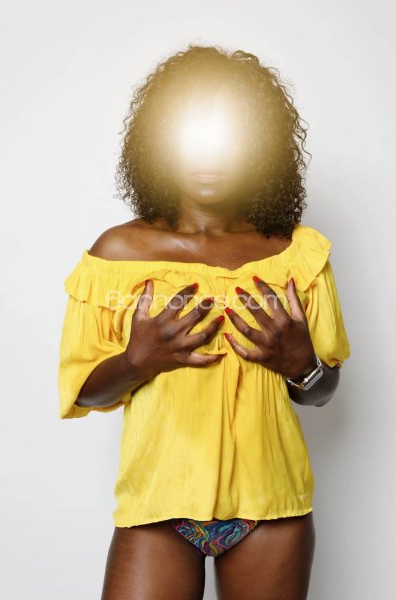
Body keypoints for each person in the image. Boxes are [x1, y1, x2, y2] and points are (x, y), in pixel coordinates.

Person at [58, 44, 351, 600]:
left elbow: (324, 390)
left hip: (273, 511)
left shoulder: (297, 254)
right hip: (157, 510)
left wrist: (302, 364)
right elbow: (84, 391)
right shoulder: (118, 254)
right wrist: (135, 361)